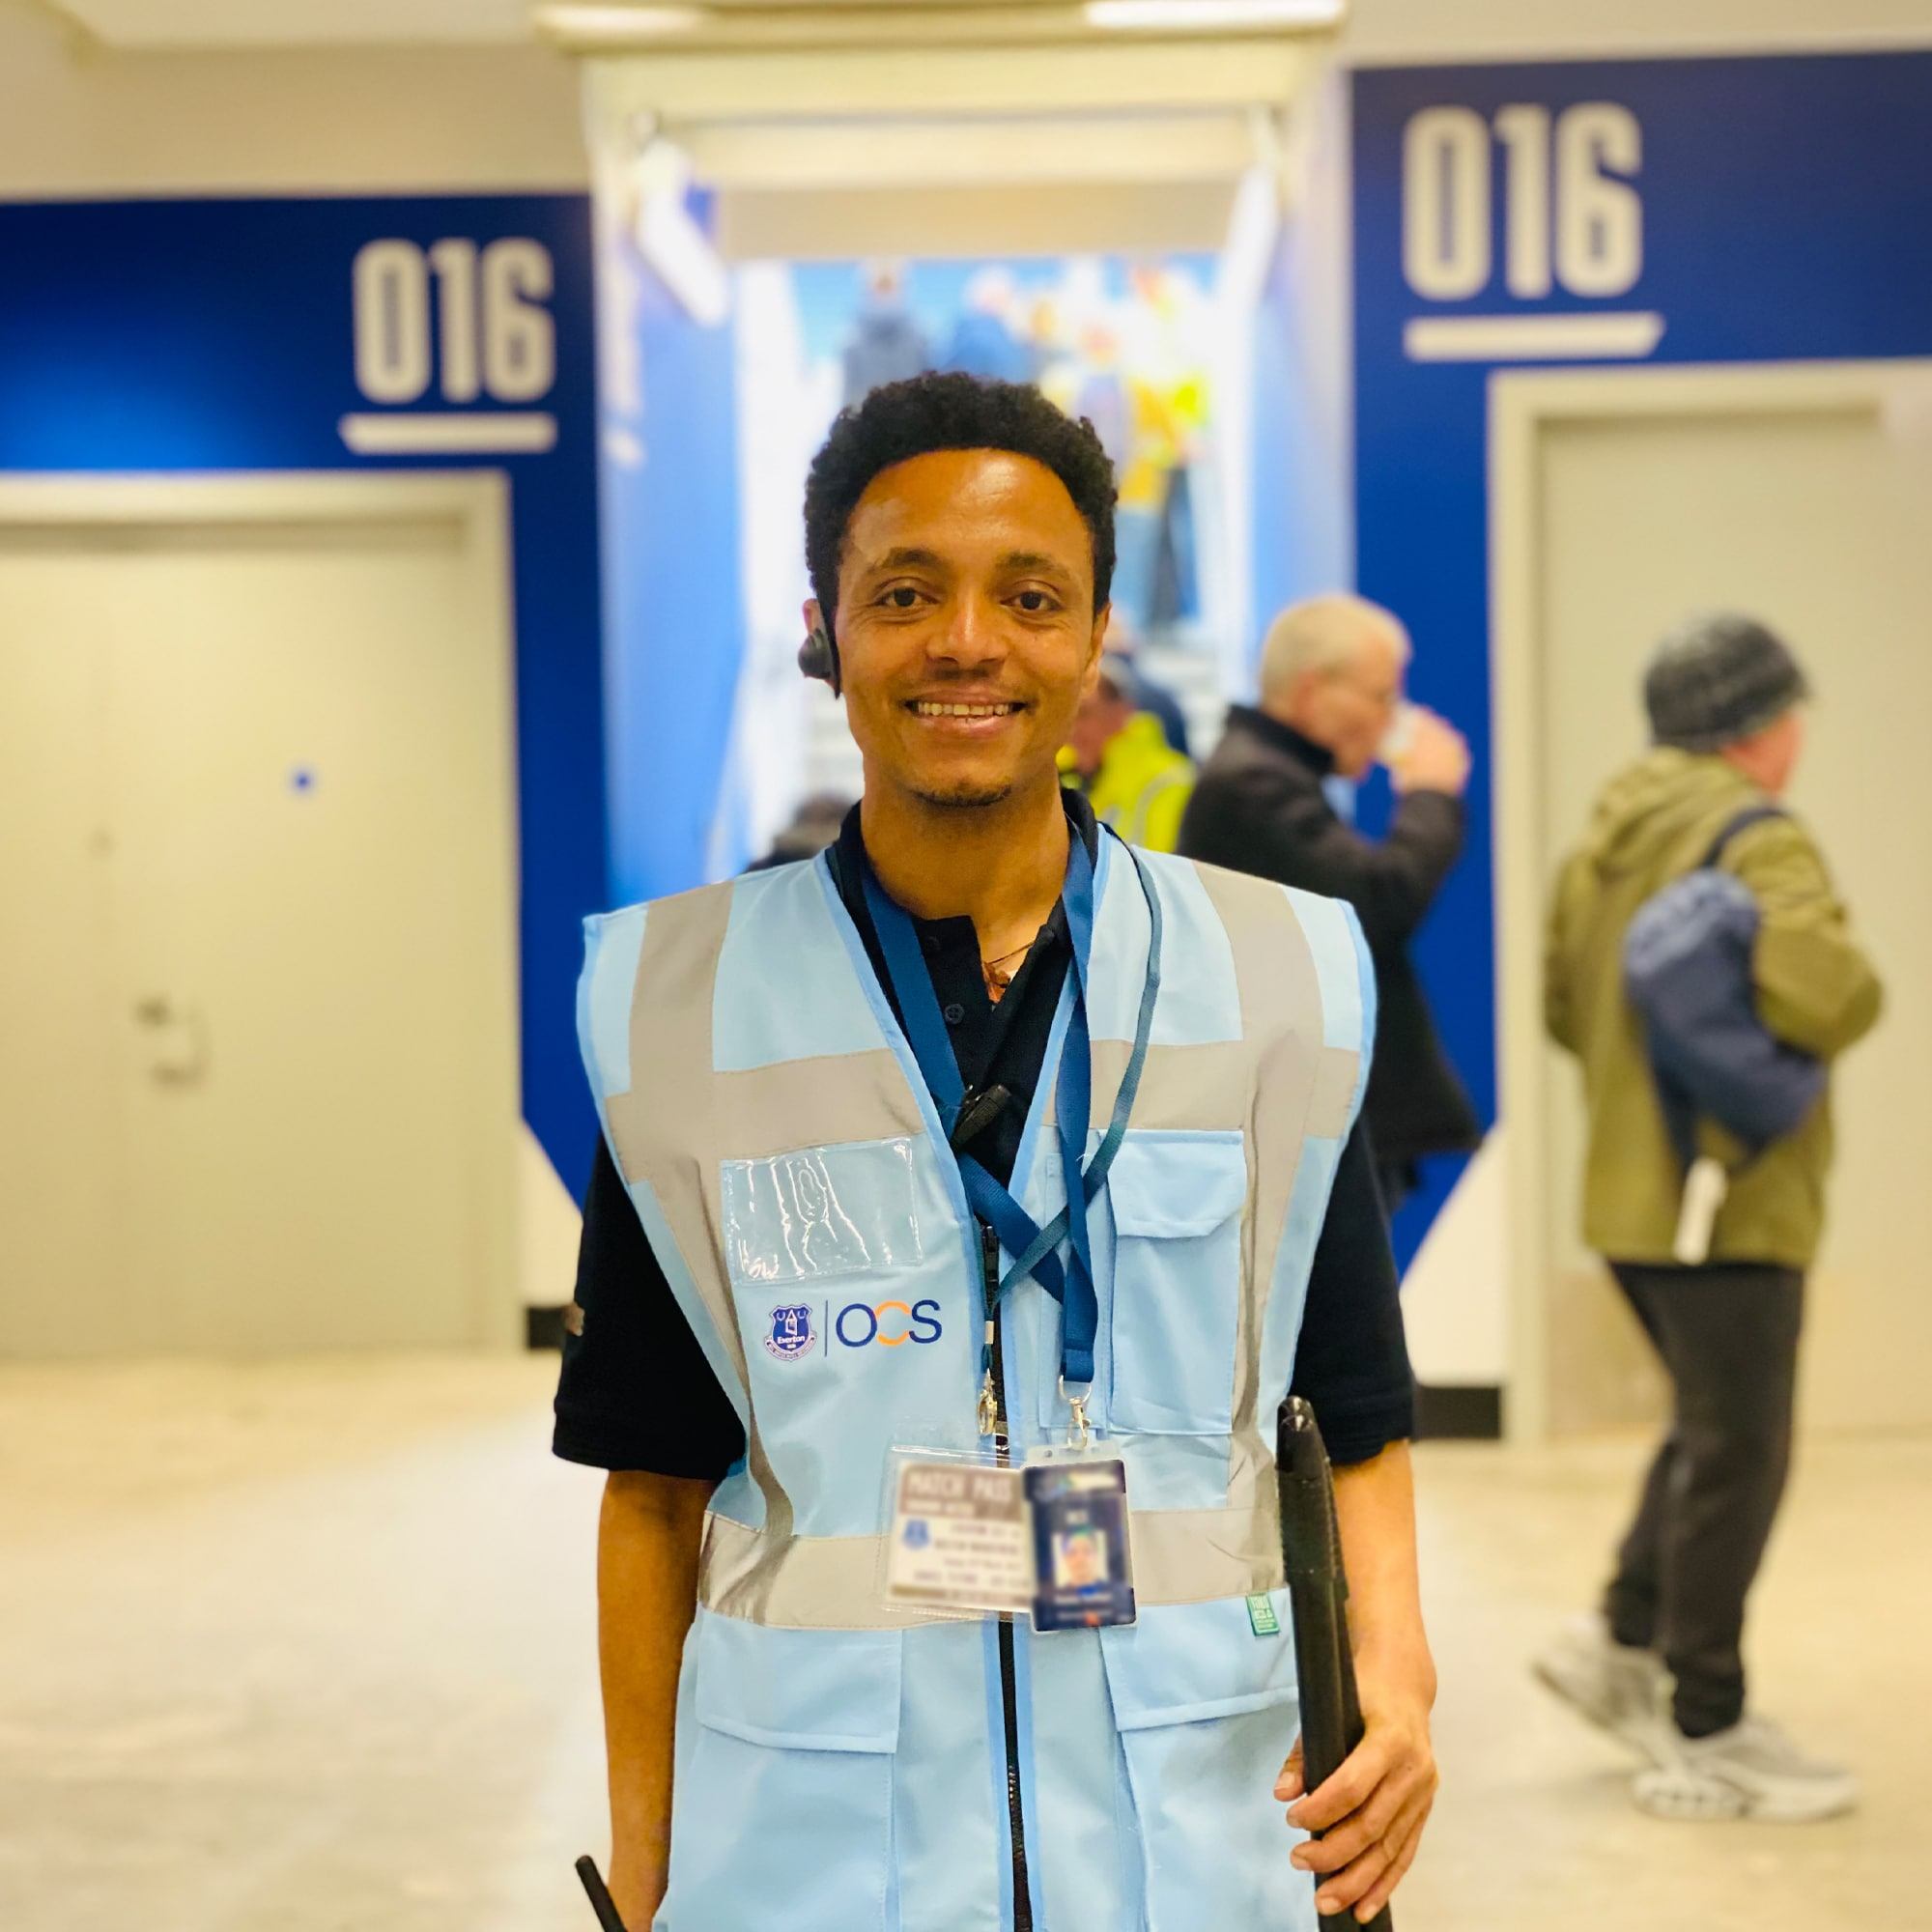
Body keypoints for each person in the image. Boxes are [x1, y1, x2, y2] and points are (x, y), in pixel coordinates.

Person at [555, 375, 1436, 1931]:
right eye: (906, 593)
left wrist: (1403, 1677)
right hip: (821, 1852)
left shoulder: (1276, 974)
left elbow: (1350, 1408)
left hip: (1194, 1836)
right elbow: (652, 1482)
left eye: (1030, 595)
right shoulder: (680, 1010)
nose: (969, 642)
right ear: (826, 625)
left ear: (1098, 634)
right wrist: (643, 1869)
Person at [1537, 613, 1882, 1824]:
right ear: (1756, 724)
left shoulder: (1601, 838)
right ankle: (1707, 1722)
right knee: (1743, 1449)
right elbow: (1833, 995)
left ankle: (1624, 1639)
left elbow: (1563, 1010)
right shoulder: (1758, 839)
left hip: (1630, 1202)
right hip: (1731, 1201)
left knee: (1704, 1426)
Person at [1179, 594, 1480, 1213]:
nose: (1391, 721)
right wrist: (1429, 795)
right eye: (1381, 698)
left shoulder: (1264, 777)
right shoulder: (1251, 786)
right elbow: (1379, 906)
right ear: (1315, 691)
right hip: (1304, 1126)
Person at [1063, 657, 1195, 852]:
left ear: (1122, 713)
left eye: (1084, 714)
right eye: (1066, 715)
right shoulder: (1056, 774)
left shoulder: (1170, 782)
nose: (1071, 729)